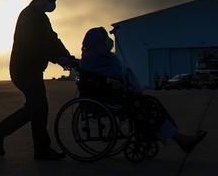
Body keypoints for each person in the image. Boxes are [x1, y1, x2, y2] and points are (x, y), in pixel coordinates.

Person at [79, 27, 207, 153]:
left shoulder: (106, 58)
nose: (106, 44)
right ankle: (180, 139)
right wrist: (117, 83)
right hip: (106, 99)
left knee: (152, 102)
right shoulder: (91, 61)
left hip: (117, 95)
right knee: (143, 107)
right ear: (95, 44)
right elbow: (97, 83)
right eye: (103, 41)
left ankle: (177, 135)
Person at [0, 0, 76, 160]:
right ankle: (42, 150)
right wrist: (58, 59)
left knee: (33, 109)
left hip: (32, 70)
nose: (53, 3)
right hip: (24, 70)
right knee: (40, 107)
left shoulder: (41, 17)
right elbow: (37, 46)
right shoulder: (28, 17)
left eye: (55, 0)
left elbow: (52, 40)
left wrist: (67, 57)